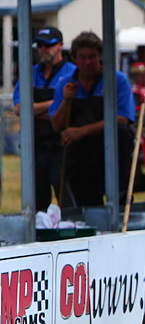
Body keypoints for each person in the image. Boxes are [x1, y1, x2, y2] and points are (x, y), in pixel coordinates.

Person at [50, 31, 135, 207]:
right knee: (87, 206)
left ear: (100, 56)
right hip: (80, 159)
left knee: (120, 132)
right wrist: (66, 101)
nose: (88, 62)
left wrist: (81, 132)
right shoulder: (64, 84)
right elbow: (57, 126)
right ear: (75, 59)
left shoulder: (117, 81)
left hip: (111, 154)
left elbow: (122, 120)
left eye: (92, 56)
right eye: (83, 57)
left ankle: (120, 196)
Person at [13, 26, 77, 211]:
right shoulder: (29, 73)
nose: (43, 49)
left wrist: (34, 109)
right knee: (37, 201)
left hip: (61, 146)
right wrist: (55, 104)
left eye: (48, 45)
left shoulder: (72, 72)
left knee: (67, 198)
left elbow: (71, 110)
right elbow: (20, 109)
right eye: (39, 45)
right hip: (35, 146)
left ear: (60, 45)